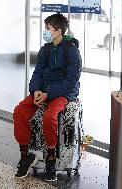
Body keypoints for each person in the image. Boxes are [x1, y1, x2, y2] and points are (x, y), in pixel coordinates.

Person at [13, 13, 82, 182]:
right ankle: (26, 156)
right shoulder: (45, 49)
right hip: (42, 91)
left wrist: (48, 94)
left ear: (58, 31)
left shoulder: (72, 51)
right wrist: (36, 90)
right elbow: (37, 72)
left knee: (50, 117)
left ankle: (51, 159)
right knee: (19, 111)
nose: (46, 31)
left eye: (48, 28)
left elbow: (71, 81)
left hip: (61, 93)